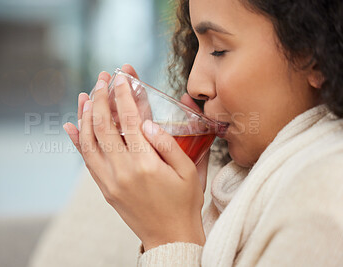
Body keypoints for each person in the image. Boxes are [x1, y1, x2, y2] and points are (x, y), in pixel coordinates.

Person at [63, 0, 343, 266]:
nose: (194, 83)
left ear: (315, 55)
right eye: (196, 46)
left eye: (219, 50)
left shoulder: (322, 211)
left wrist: (169, 237)